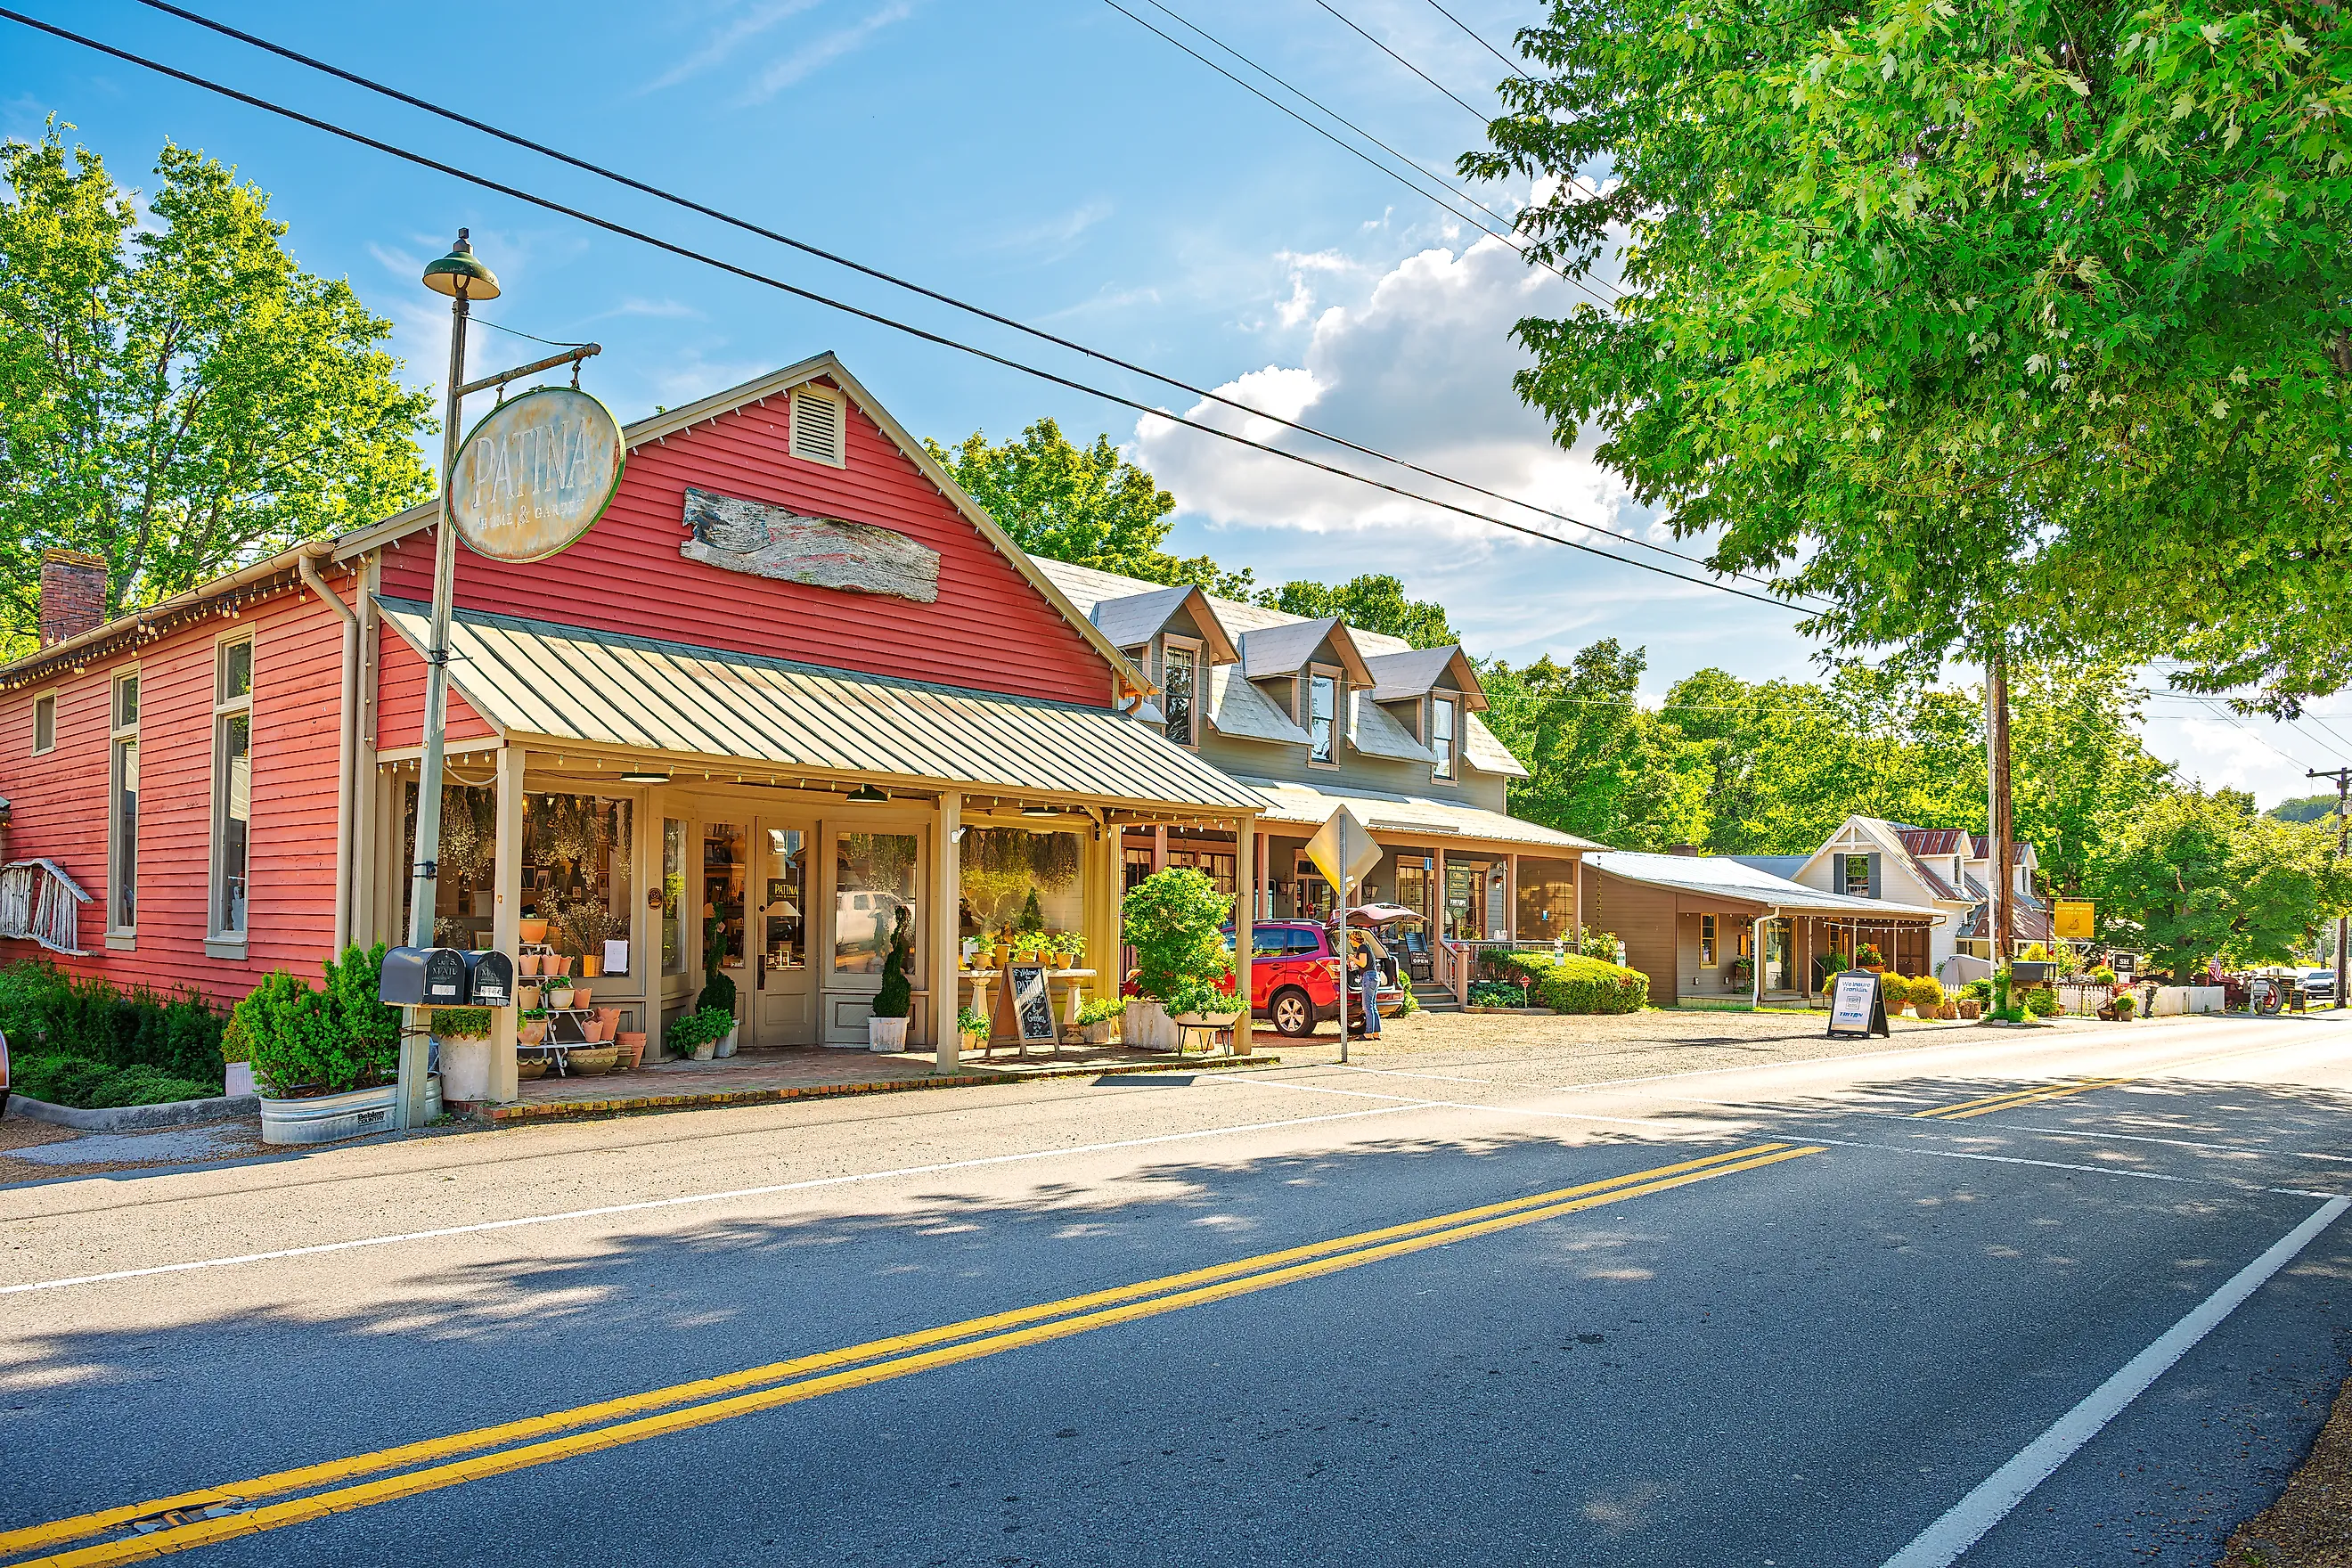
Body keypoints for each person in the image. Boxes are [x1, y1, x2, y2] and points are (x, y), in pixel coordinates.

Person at [1346, 926, 1385, 1038]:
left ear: (1355, 939)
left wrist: (1352, 958)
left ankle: (1368, 1033)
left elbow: (1363, 963)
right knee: (1373, 1006)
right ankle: (1376, 1033)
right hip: (1374, 977)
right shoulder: (1367, 947)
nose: (1350, 942)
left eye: (1350, 939)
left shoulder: (1362, 948)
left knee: (1367, 1007)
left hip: (1368, 977)